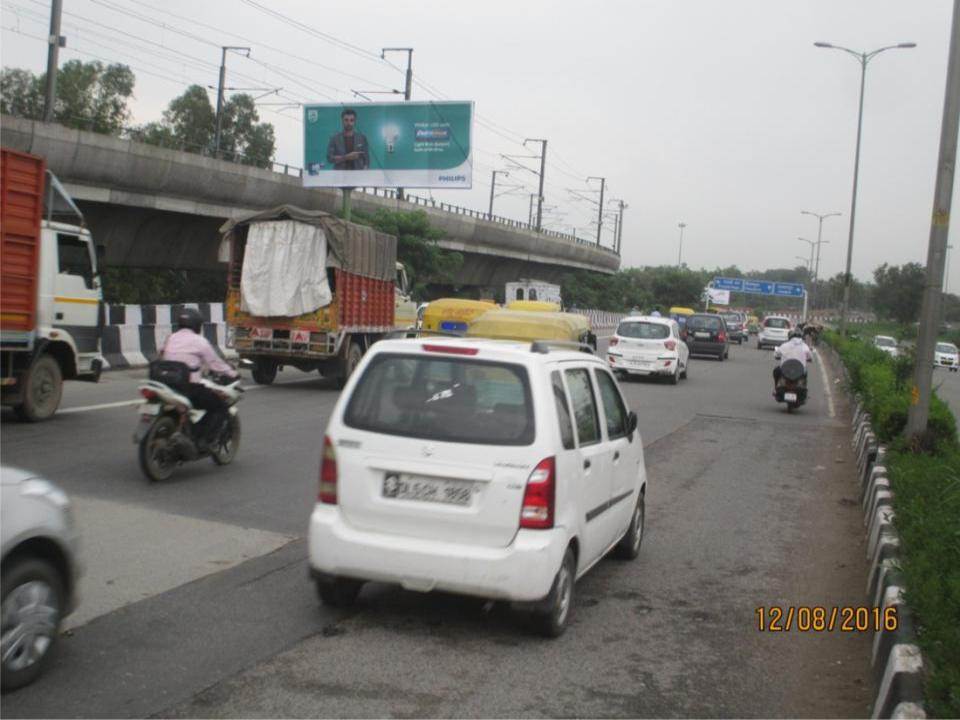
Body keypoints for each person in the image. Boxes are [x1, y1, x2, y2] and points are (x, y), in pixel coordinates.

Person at [161, 308, 239, 447]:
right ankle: (201, 439)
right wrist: (232, 373)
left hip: (166, 385)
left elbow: (162, 355)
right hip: (188, 388)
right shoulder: (199, 341)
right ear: (197, 325)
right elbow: (215, 363)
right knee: (219, 406)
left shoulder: (171, 338)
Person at [773, 329, 813, 395]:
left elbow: (776, 354)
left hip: (785, 369)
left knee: (776, 371)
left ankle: (776, 389)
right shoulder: (805, 346)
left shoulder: (784, 345)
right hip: (800, 370)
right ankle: (804, 387)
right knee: (805, 373)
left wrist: (778, 356)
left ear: (790, 337)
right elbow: (810, 357)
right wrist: (808, 359)